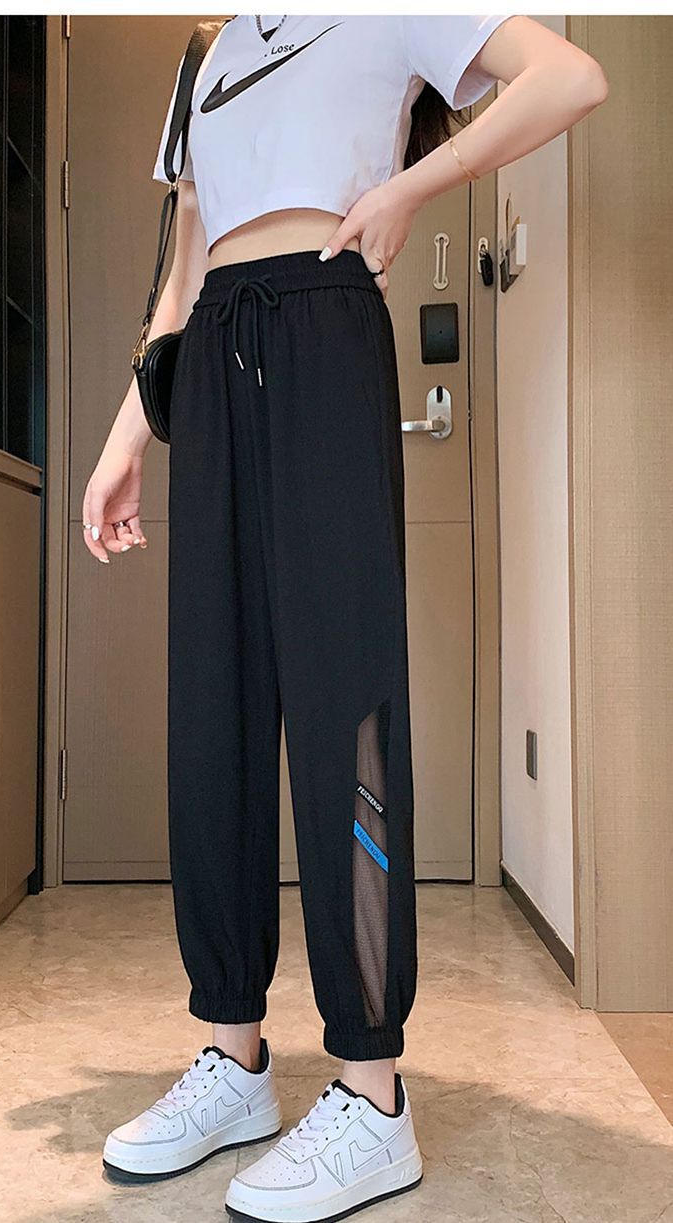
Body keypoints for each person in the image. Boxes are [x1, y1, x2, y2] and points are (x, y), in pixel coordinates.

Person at [83, 14, 607, 1222]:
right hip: (212, 354)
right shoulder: (205, 58)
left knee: (345, 715)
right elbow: (183, 270)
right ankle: (233, 1057)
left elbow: (568, 78)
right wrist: (128, 440)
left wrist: (415, 187)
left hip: (326, 324)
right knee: (212, 710)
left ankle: (372, 1090)